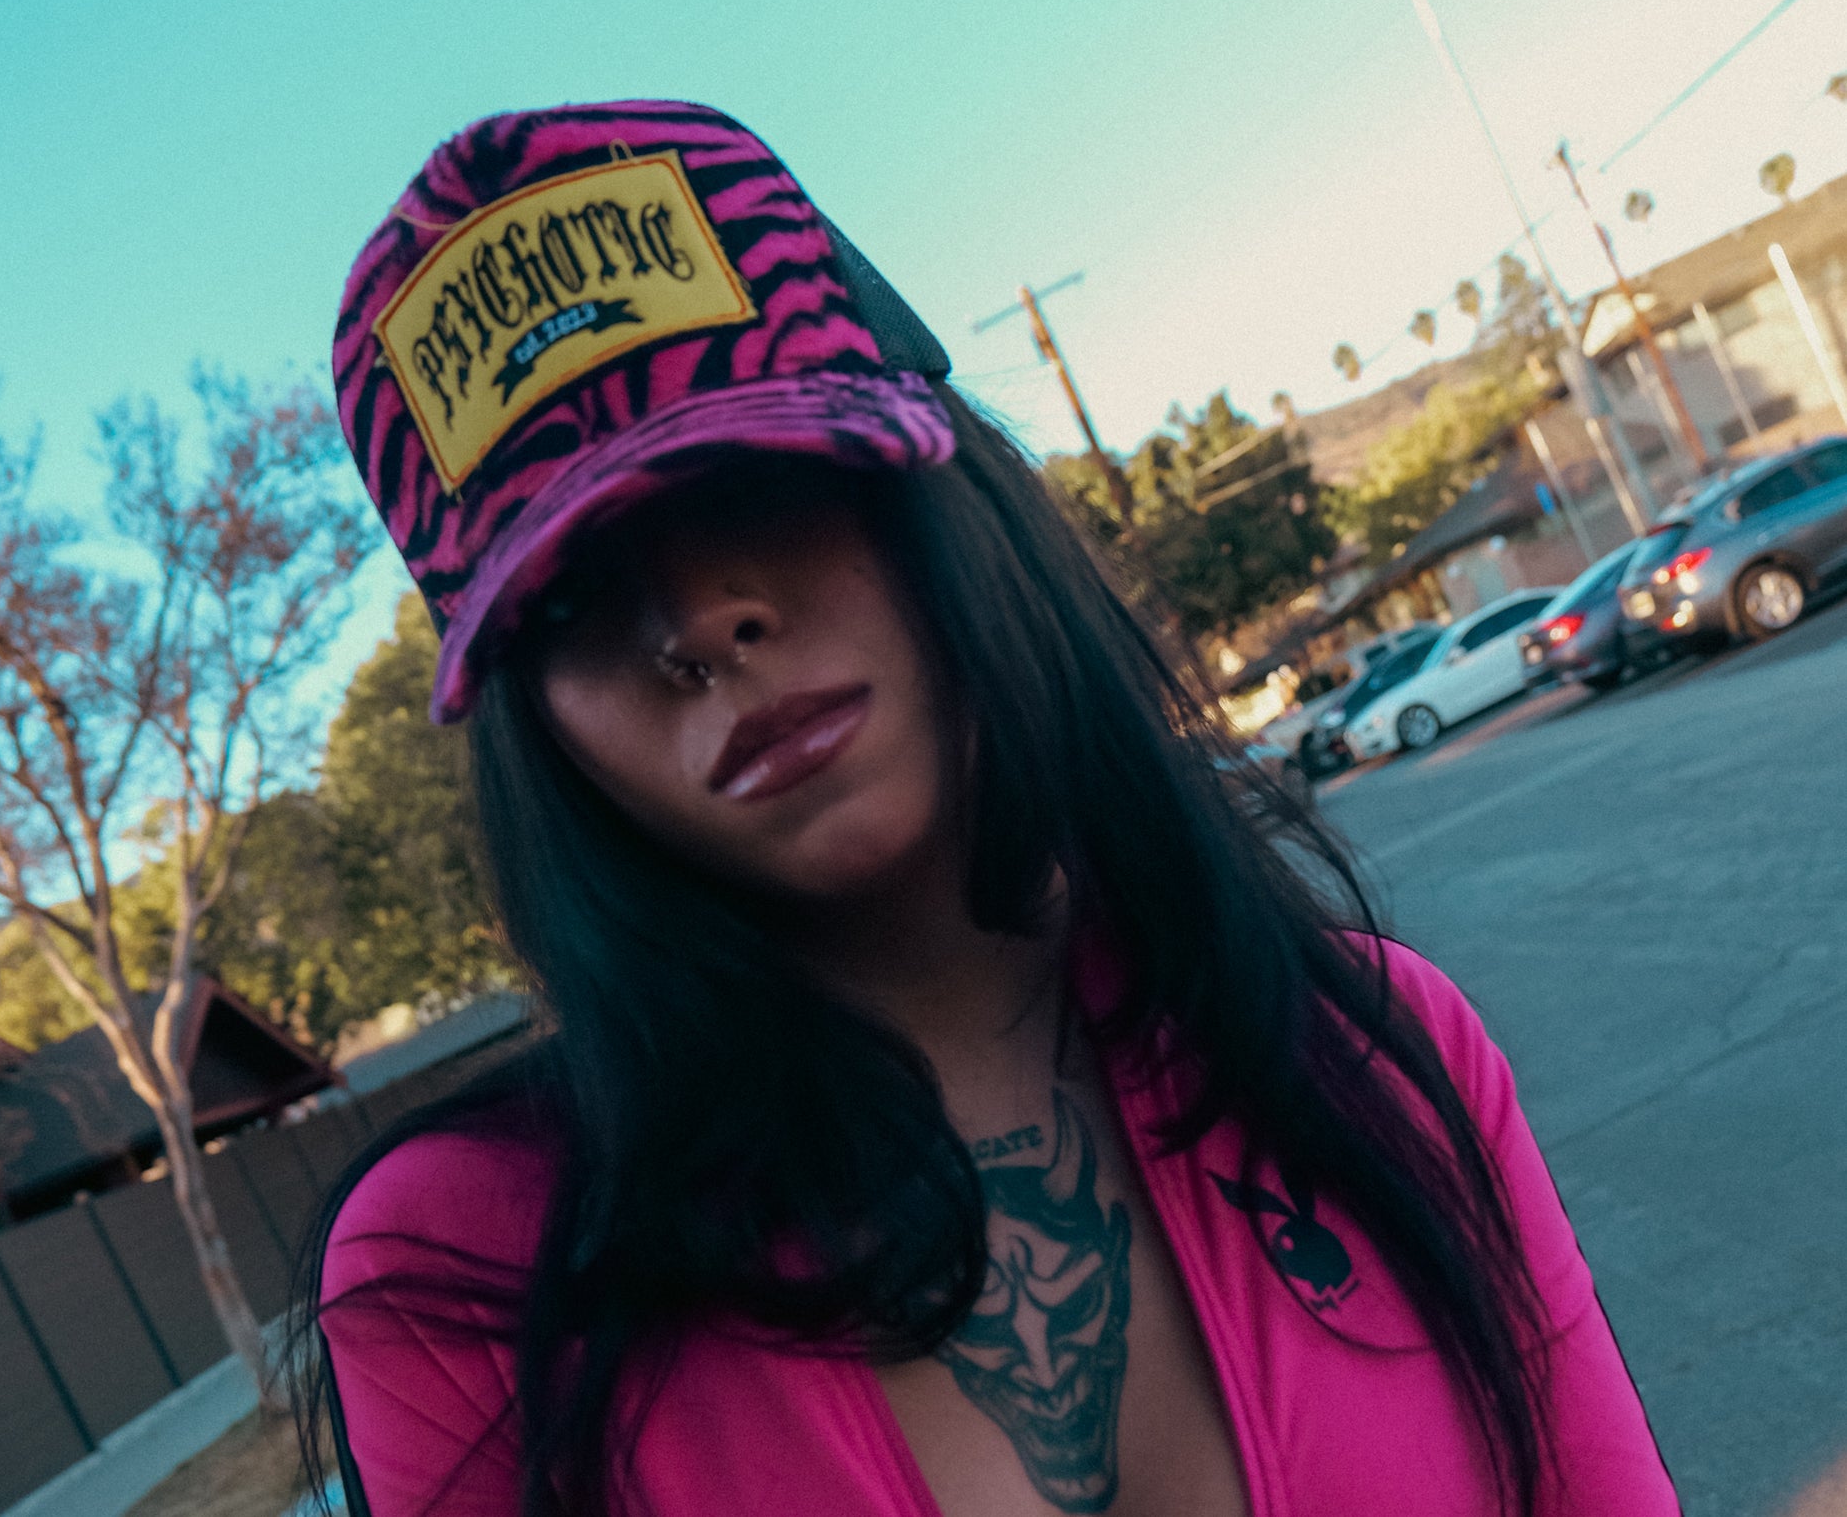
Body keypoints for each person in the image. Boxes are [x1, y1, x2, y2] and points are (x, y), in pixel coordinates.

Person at [296, 101, 1677, 1517]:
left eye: (751, 479)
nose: (695, 621)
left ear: (941, 484)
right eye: (572, 594)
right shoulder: (471, 1274)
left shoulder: (1377, 1050)